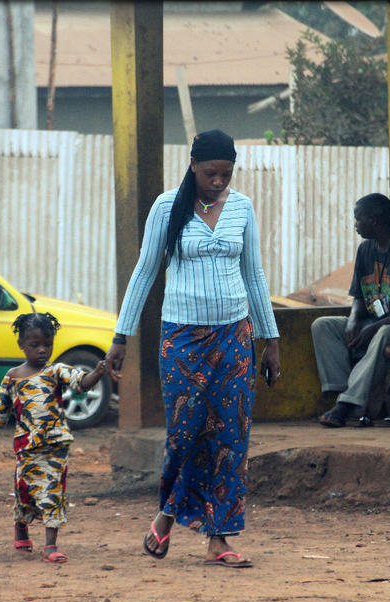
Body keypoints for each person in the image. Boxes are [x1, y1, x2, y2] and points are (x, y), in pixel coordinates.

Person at [104, 129, 281, 568]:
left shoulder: (242, 208)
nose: (218, 182)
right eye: (210, 174)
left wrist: (270, 339)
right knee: (187, 433)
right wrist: (121, 337)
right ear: (192, 166)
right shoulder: (168, 208)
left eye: (226, 173)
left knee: (230, 435)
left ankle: (219, 538)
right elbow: (144, 273)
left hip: (234, 337)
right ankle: (167, 515)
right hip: (181, 338)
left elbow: (254, 275)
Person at [0, 312, 106, 563]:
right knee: (25, 490)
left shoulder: (57, 371)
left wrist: (98, 371)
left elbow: (81, 383)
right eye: (35, 345)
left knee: (52, 491)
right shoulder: (13, 377)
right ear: (21, 345)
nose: (42, 350)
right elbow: (0, 411)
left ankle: (50, 545)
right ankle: (21, 526)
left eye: (47, 344)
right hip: (26, 447)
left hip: (55, 445)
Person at [311, 193, 390, 428]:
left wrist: (371, 329)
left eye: (359, 220)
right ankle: (343, 394)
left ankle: (345, 405)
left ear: (375, 221)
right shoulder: (365, 249)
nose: (355, 225)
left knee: (383, 334)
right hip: (372, 321)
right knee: (323, 325)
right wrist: (353, 320)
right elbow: (357, 294)